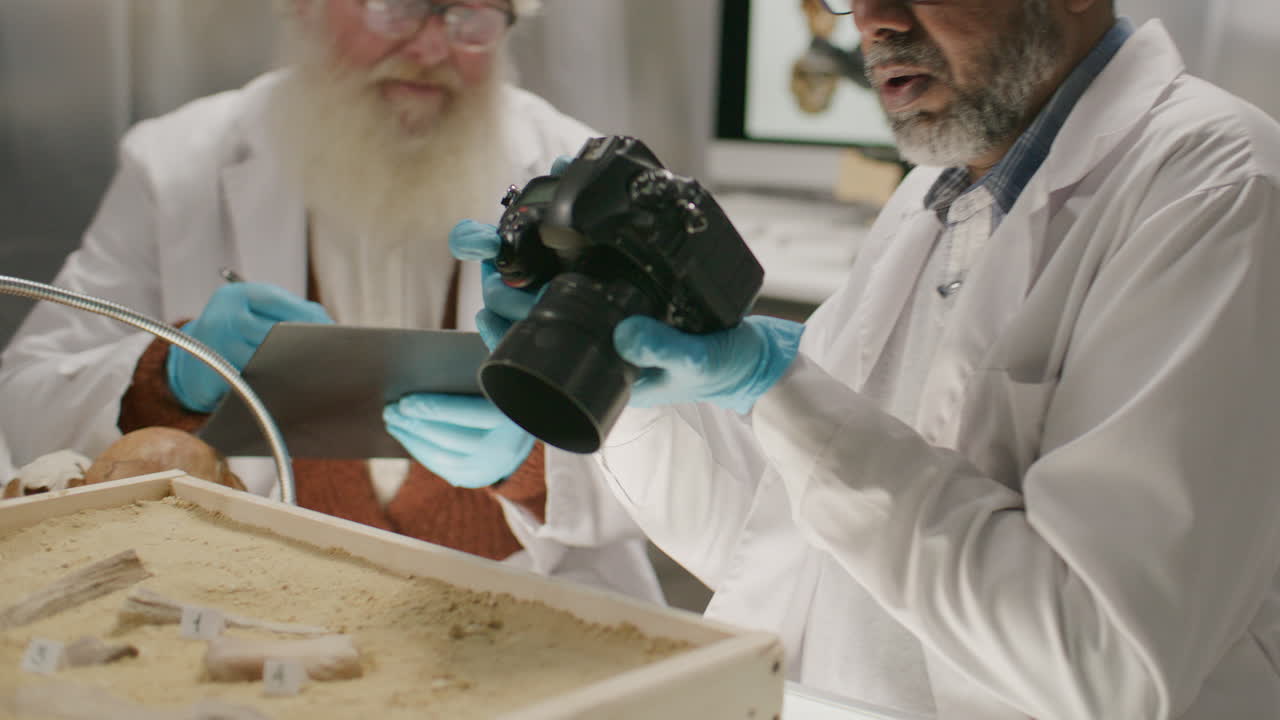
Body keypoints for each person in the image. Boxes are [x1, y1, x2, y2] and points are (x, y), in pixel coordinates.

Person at [434, 0, 1280, 717]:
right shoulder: (934, 193)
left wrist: (781, 393)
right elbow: (774, 544)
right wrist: (629, 383)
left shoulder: (1219, 186)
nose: (872, 21)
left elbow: (1102, 660)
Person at [0, 0, 662, 602]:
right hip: (250, 604)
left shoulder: (580, 177)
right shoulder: (178, 164)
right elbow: (22, 402)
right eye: (399, 8)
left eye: (472, 17)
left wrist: (536, 463)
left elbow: (687, 463)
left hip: (531, 607)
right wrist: (165, 375)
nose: (433, 49)